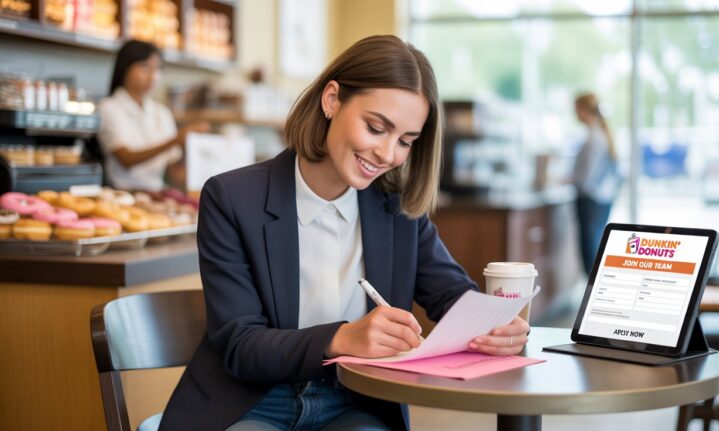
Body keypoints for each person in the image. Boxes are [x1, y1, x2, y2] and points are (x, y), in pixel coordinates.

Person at [159, 35, 530, 431]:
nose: (388, 154)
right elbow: (239, 344)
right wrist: (341, 339)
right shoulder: (232, 198)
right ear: (332, 99)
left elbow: (452, 295)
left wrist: (493, 326)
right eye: (376, 128)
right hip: (252, 401)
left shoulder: (397, 208)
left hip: (355, 400)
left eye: (405, 141)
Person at [98, 40, 209, 191]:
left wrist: (192, 147)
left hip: (157, 193)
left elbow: (176, 175)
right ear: (125, 68)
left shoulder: (162, 113)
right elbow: (125, 158)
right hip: (121, 193)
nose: (152, 76)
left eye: (157, 69)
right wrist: (175, 140)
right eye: (144, 67)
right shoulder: (108, 108)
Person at [573, 92, 621, 276]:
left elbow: (586, 177)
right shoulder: (602, 135)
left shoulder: (594, 138)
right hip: (603, 198)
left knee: (590, 249)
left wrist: (571, 179)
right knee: (596, 244)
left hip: (591, 199)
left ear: (584, 110)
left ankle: (591, 293)